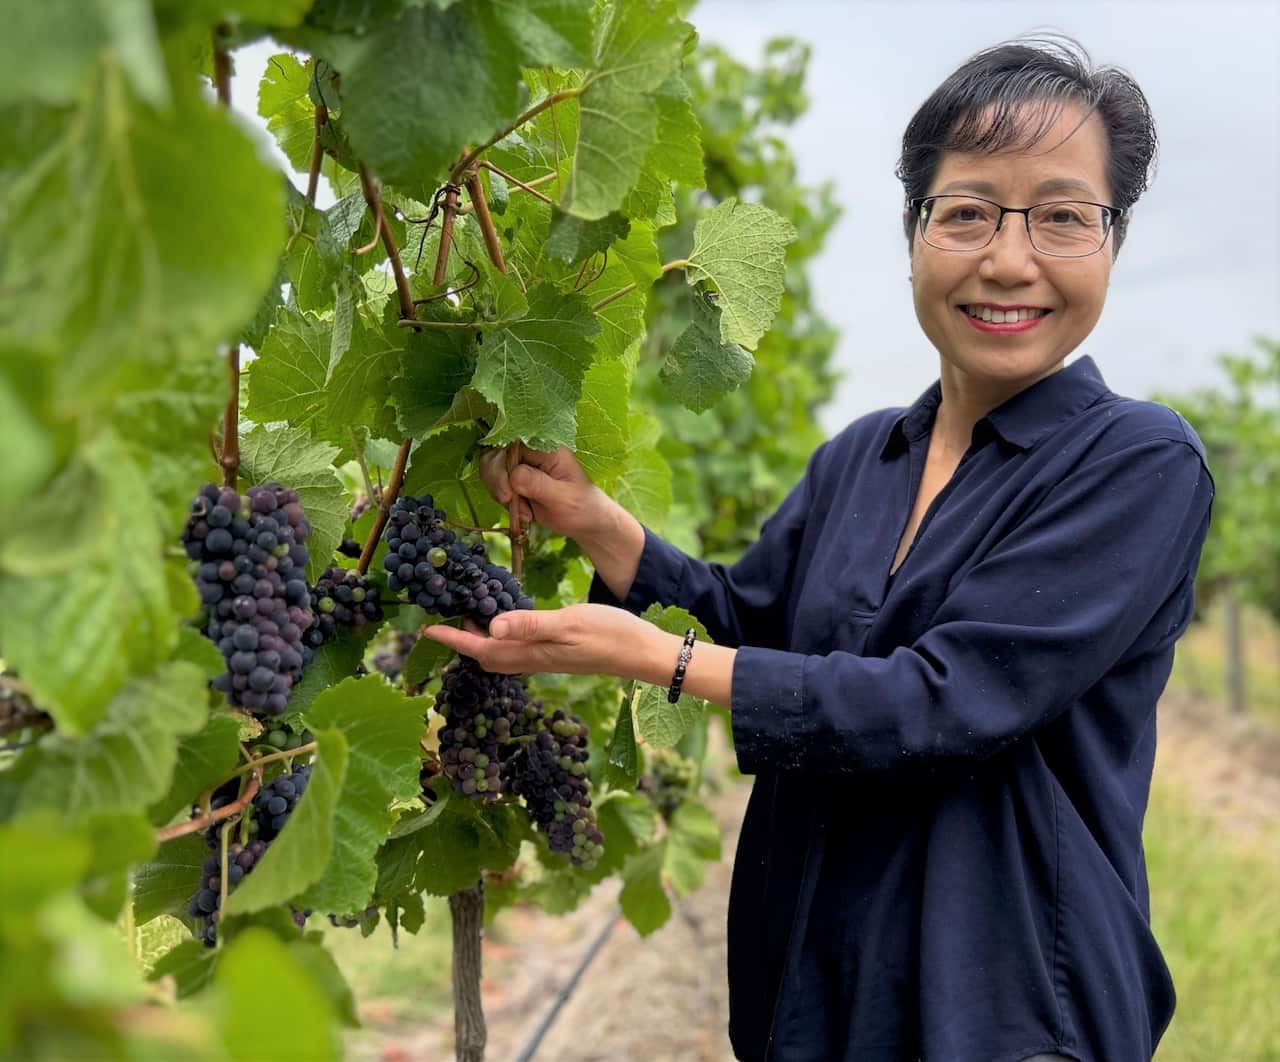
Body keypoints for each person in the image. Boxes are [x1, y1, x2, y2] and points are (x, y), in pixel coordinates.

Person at [422, 33, 1214, 1062]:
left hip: (1005, 1005)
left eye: (1062, 217)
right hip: (811, 983)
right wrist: (594, 521)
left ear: (1111, 239)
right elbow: (747, 624)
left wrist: (657, 660)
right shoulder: (862, 457)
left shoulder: (1137, 463)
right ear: (914, 234)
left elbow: (946, 698)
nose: (1008, 259)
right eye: (966, 212)